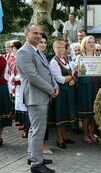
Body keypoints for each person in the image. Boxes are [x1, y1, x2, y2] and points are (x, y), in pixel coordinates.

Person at [16, 23, 58, 173]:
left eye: (40, 33)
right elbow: (33, 77)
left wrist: (55, 86)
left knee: (37, 129)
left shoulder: (37, 50)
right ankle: (36, 164)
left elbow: (47, 71)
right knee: (37, 130)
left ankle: (34, 156)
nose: (39, 36)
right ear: (26, 34)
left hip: (43, 95)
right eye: (35, 33)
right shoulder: (23, 52)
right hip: (35, 97)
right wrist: (51, 89)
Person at [75, 35, 101, 143]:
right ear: (84, 45)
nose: (92, 44)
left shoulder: (98, 56)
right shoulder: (80, 57)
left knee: (94, 111)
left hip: (95, 85)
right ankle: (85, 134)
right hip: (84, 86)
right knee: (86, 112)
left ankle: (92, 133)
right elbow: (76, 73)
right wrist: (76, 69)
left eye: (93, 42)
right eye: (89, 42)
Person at [49, 40, 76, 149]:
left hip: (68, 91)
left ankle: (65, 136)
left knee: (66, 114)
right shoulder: (54, 62)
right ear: (54, 49)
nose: (60, 50)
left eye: (62, 47)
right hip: (60, 93)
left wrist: (72, 78)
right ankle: (59, 139)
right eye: (58, 48)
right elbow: (60, 79)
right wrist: (72, 77)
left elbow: (72, 73)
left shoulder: (66, 59)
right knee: (60, 115)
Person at [0, 54, 12, 147]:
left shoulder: (2, 58)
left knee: (2, 113)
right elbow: (7, 75)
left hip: (2, 88)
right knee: (2, 113)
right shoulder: (3, 58)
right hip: (2, 87)